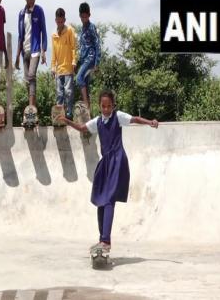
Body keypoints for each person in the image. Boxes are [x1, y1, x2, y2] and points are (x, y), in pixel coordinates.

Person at [57, 90, 159, 252]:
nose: (106, 109)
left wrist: (150, 122)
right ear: (99, 106)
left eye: (109, 106)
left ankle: (106, 241)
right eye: (103, 106)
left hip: (118, 160)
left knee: (109, 199)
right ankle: (103, 240)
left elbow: (134, 119)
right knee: (100, 201)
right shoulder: (97, 121)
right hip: (105, 163)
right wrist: (67, 121)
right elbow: (83, 128)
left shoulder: (118, 116)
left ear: (113, 106)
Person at [15, 0, 47, 108]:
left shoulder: (39, 11)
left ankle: (31, 109)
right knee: (27, 81)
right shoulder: (21, 14)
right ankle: (32, 111)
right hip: (25, 51)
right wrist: (17, 56)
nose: (32, 0)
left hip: (35, 50)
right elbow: (20, 36)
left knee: (31, 76)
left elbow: (43, 31)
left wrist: (43, 51)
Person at [51, 8, 77, 120]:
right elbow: (53, 53)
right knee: (59, 94)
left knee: (68, 92)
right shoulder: (53, 35)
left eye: (62, 21)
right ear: (56, 20)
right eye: (58, 21)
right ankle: (59, 117)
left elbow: (73, 47)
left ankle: (69, 115)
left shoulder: (70, 30)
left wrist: (74, 61)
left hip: (68, 68)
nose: (60, 23)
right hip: (59, 69)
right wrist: (53, 67)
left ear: (64, 20)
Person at [76, 2, 101, 112]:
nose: (84, 19)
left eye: (86, 17)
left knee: (79, 78)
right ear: (80, 16)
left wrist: (97, 63)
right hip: (83, 60)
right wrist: (78, 61)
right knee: (85, 84)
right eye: (82, 17)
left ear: (89, 15)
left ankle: (86, 106)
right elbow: (81, 47)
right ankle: (88, 113)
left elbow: (97, 45)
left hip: (90, 59)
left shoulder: (91, 27)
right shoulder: (82, 29)